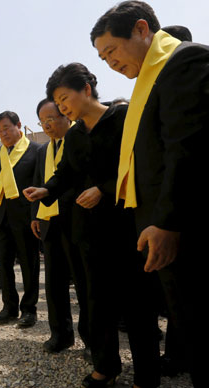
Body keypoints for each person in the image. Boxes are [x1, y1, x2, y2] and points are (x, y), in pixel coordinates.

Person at [91, 2, 208, 385]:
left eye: (112, 51)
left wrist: (168, 222)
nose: (109, 63)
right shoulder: (147, 81)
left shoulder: (183, 62)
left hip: (181, 228)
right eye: (102, 57)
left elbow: (186, 148)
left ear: (142, 30)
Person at [23, 62, 160, 388]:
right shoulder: (75, 135)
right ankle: (106, 365)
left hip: (126, 226)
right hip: (86, 232)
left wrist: (104, 189)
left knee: (137, 304)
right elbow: (66, 174)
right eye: (57, 101)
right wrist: (47, 189)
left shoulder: (124, 119)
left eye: (64, 97)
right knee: (95, 301)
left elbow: (144, 165)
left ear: (86, 89)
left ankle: (147, 373)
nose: (62, 106)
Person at [31, 99, 90, 354]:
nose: (47, 125)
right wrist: (36, 215)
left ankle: (92, 339)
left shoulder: (81, 140)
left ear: (67, 115)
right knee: (54, 281)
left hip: (78, 219)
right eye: (42, 121)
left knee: (84, 281)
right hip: (49, 221)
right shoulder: (44, 150)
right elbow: (40, 181)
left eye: (51, 119)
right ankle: (60, 334)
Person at [0, 112, 41, 327]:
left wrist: (36, 215)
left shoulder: (36, 150)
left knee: (29, 265)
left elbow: (39, 182)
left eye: (6, 128)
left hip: (25, 217)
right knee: (4, 264)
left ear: (18, 125)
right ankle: (9, 307)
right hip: (1, 217)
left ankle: (29, 309)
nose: (3, 133)